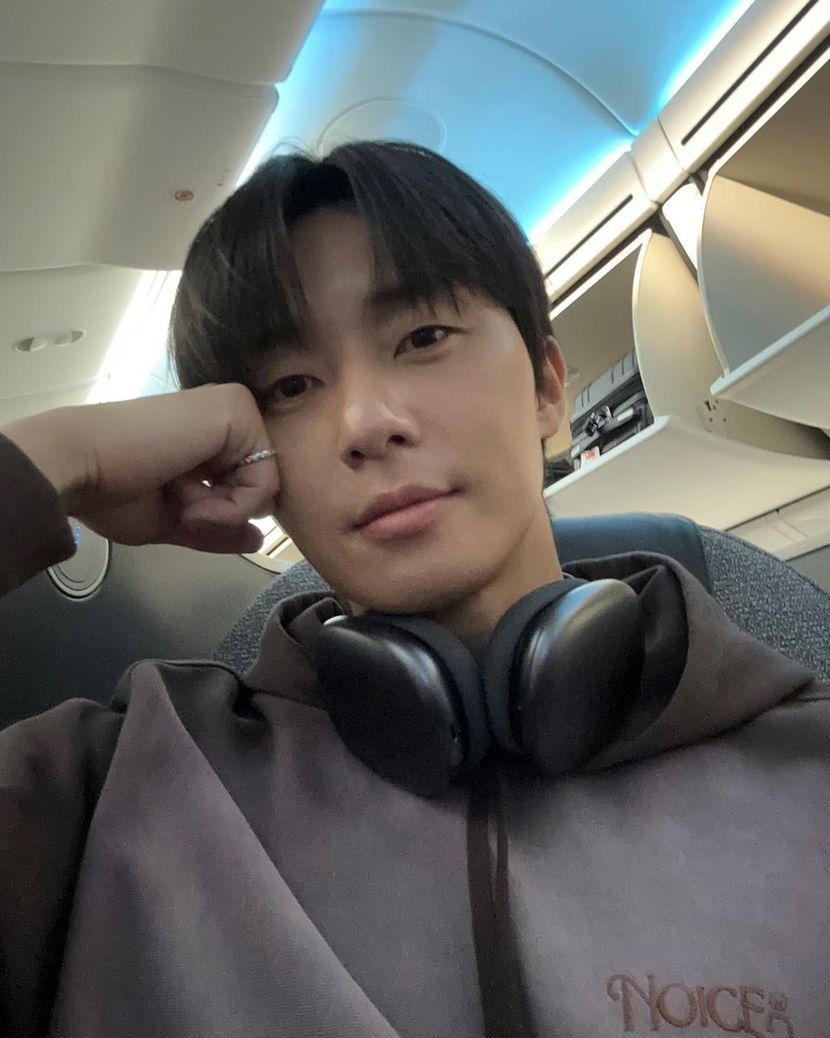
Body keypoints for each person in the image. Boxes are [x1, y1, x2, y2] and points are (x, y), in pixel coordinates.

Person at [1, 141, 828, 1038]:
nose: (365, 422)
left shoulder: (804, 779)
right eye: (291, 386)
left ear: (548, 387)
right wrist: (57, 462)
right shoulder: (108, 790)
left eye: (423, 338)